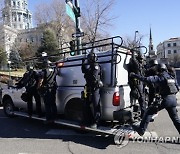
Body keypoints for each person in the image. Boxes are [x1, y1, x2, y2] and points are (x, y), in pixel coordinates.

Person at [130, 63, 180, 136]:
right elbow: (177, 88)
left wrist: (134, 75)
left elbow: (146, 79)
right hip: (173, 100)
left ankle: (141, 130)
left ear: (159, 70)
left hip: (165, 99)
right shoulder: (171, 77)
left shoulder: (160, 77)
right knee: (176, 119)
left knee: (148, 112)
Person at [81, 52, 103, 128]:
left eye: (89, 58)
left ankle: (96, 122)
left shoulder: (96, 66)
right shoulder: (91, 66)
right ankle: (88, 120)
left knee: (96, 105)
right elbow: (85, 71)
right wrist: (83, 63)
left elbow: (93, 76)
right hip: (88, 87)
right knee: (85, 104)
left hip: (95, 88)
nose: (88, 60)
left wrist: (87, 72)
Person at [38, 59, 59, 123]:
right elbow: (58, 72)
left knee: (47, 104)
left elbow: (40, 81)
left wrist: (38, 87)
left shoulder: (44, 71)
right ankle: (55, 117)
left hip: (46, 89)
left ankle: (49, 118)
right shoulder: (54, 70)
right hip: (53, 88)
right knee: (53, 103)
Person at [128, 52, 146, 118]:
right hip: (140, 83)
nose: (141, 60)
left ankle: (143, 114)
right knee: (141, 98)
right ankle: (143, 113)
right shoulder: (141, 64)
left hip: (138, 83)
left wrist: (132, 52)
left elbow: (133, 59)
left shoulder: (137, 64)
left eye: (142, 59)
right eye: (141, 59)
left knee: (141, 98)